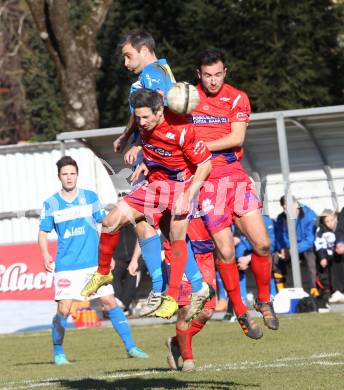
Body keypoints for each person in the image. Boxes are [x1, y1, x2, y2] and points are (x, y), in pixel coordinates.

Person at [82, 89, 213, 320]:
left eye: (145, 117)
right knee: (110, 222)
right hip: (153, 185)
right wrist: (137, 150)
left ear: (160, 111)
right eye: (138, 117)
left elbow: (205, 164)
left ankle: (172, 296)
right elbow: (148, 139)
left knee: (175, 235)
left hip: (180, 187)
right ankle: (103, 273)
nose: (141, 122)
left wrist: (189, 195)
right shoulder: (144, 125)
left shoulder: (182, 130)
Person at [81, 29, 178, 316]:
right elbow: (141, 111)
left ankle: (169, 287)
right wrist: (127, 136)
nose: (125, 62)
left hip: (155, 162)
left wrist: (146, 153)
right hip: (150, 158)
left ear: (144, 50)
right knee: (148, 225)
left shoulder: (152, 74)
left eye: (128, 55)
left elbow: (160, 113)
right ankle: (166, 288)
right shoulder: (155, 74)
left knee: (134, 222)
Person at [189, 48, 278, 338]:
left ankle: (264, 299)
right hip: (206, 181)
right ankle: (240, 310)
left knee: (263, 244)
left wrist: (200, 146)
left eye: (218, 74)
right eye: (207, 75)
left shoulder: (237, 97)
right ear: (198, 75)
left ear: (224, 72)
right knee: (225, 251)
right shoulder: (187, 100)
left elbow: (236, 137)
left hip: (234, 176)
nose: (213, 81)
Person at [38, 156, 148, 365]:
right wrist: (45, 254)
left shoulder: (89, 197)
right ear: (59, 176)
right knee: (64, 309)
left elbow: (105, 224)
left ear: (77, 175)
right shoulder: (51, 204)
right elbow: (43, 233)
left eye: (72, 173)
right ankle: (58, 351)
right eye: (65, 174)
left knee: (109, 302)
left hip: (93, 264)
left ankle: (131, 346)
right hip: (67, 266)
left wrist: (107, 256)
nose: (69, 178)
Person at [164, 216, 217, 372]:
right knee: (186, 309)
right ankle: (188, 359)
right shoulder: (176, 194)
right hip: (180, 250)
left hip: (205, 253)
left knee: (206, 311)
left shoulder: (212, 193)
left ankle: (176, 342)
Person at [275, 196, 318, 296]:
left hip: (306, 247)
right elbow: (280, 237)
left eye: (288, 207)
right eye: (284, 208)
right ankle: (281, 291)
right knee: (276, 258)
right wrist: (283, 248)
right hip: (290, 248)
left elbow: (310, 240)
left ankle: (314, 289)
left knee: (310, 257)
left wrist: (293, 249)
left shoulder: (309, 215)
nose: (286, 211)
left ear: (296, 204)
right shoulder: (281, 218)